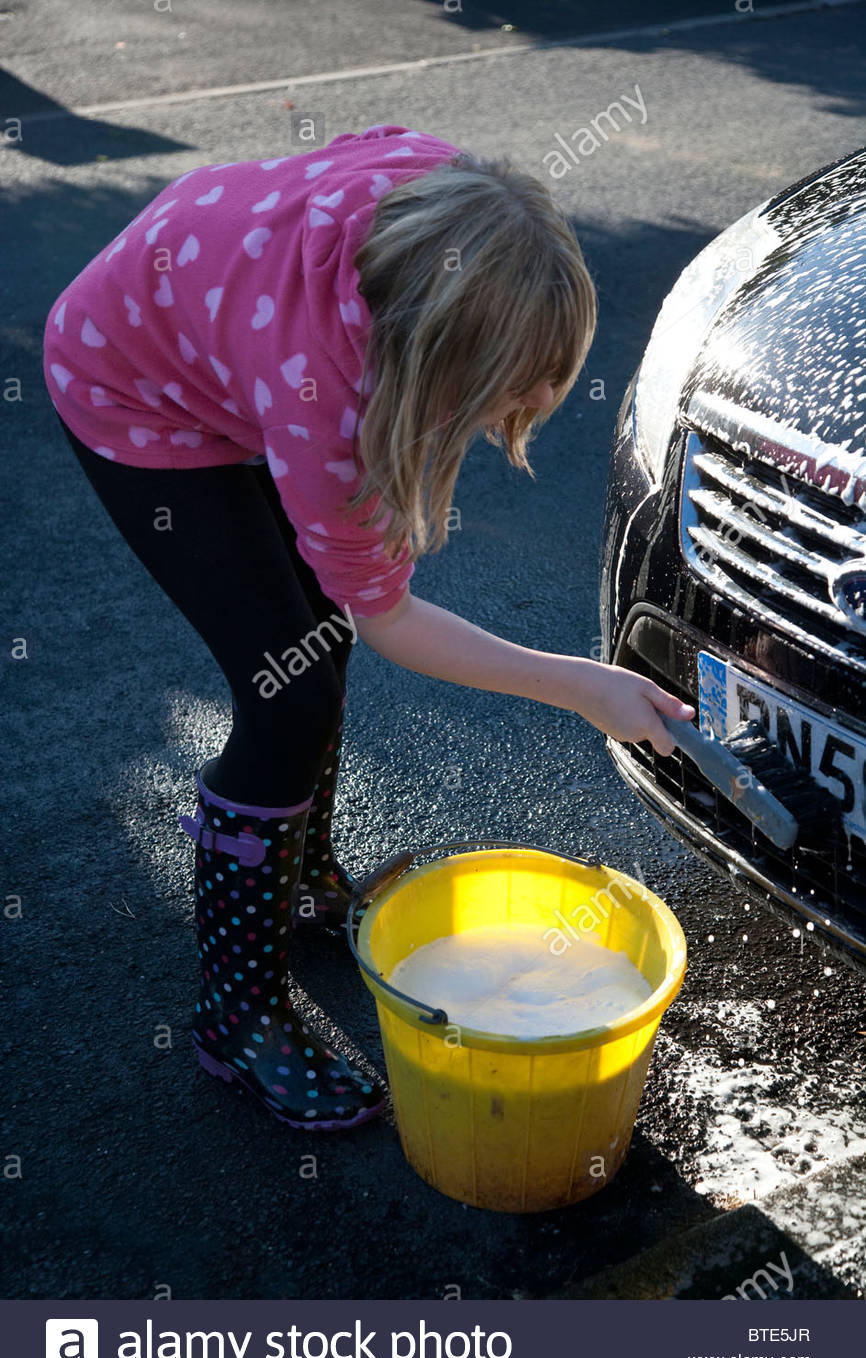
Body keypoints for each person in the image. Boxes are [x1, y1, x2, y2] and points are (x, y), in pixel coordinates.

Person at [42, 122, 694, 1135]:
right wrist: (582, 684)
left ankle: (298, 879)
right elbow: (388, 617)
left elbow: (352, 599)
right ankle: (237, 1021)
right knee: (286, 690)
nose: (526, 405)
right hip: (134, 388)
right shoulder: (333, 406)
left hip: (219, 337)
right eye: (507, 388)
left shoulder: (442, 197)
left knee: (313, 636)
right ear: (430, 357)